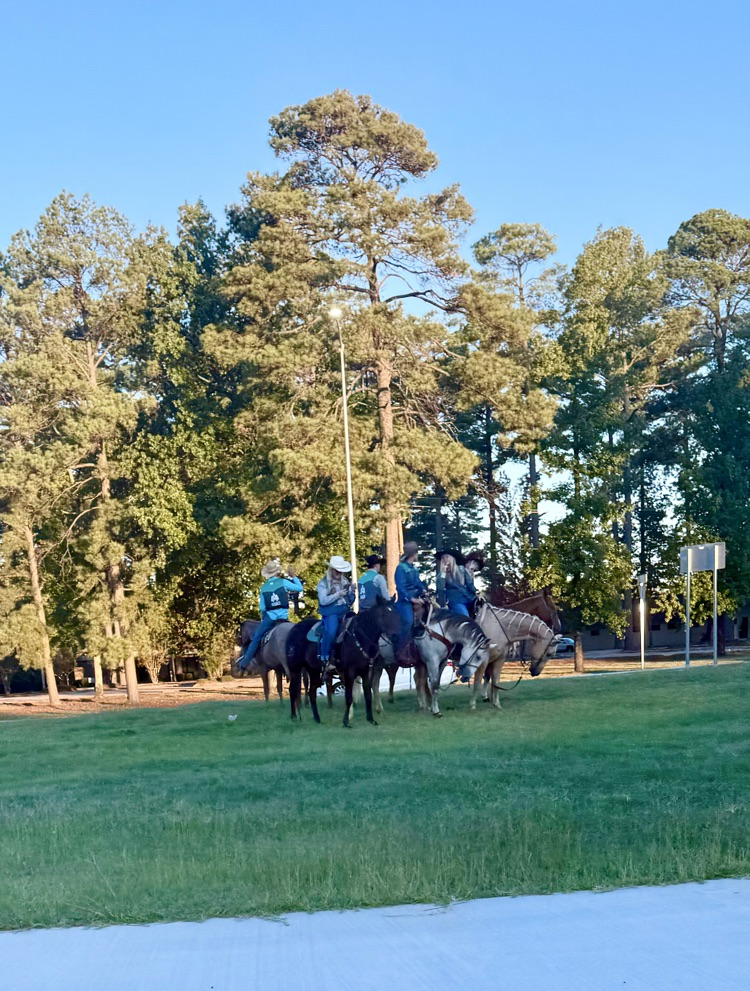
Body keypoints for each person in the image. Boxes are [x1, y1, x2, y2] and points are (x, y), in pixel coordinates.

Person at [239, 560, 303, 671]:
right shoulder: (283, 582)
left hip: (270, 617)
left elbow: (262, 608)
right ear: (276, 572)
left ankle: (244, 662)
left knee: (256, 638)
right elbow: (299, 588)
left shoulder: (263, 587)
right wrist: (293, 577)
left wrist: (264, 617)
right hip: (283, 617)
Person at [316, 555, 356, 671]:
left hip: (344, 611)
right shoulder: (323, 584)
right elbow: (323, 601)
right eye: (337, 571)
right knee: (332, 632)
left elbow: (350, 601)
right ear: (331, 570)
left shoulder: (344, 581)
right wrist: (337, 595)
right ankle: (328, 658)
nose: (339, 573)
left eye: (341, 571)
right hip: (330, 613)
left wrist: (351, 593)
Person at [394, 541, 428, 653]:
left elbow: (418, 582)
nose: (418, 555)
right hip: (404, 601)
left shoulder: (413, 568)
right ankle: (400, 648)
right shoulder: (401, 568)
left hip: (416, 598)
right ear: (413, 554)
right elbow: (400, 587)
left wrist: (424, 590)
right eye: (417, 552)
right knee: (408, 621)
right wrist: (412, 599)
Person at [436, 551, 474, 617]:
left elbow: (470, 584)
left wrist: (476, 593)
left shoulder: (462, 570)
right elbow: (440, 588)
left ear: (452, 558)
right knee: (465, 617)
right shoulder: (441, 575)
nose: (445, 559)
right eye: (443, 558)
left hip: (468, 598)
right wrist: (443, 573)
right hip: (454, 600)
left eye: (447, 557)